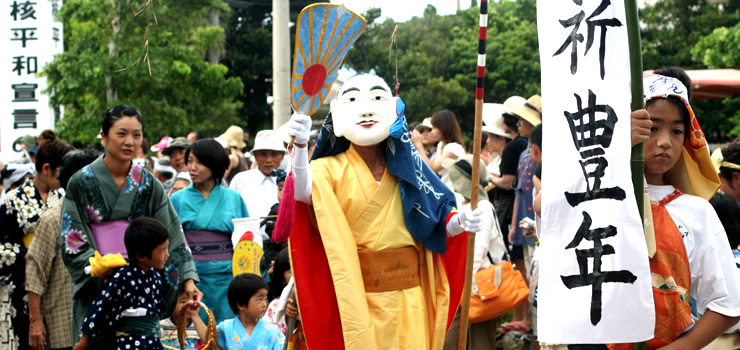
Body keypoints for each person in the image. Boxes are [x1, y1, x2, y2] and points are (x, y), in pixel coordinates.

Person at [284, 74, 481, 349]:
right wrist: (302, 147)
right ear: (338, 115)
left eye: (377, 98)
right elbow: (304, 193)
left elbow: (436, 219)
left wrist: (460, 221)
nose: (366, 110)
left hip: (410, 298)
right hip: (359, 298)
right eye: (353, 100)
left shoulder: (410, 166)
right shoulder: (328, 169)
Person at [614, 74, 740, 349]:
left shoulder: (698, 212)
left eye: (676, 131)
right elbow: (545, 205)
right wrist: (615, 147)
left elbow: (730, 302)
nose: (664, 142)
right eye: (652, 128)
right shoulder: (600, 200)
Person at [60, 105, 199, 348]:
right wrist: (101, 267)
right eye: (121, 133)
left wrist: (187, 279)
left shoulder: (149, 183)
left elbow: (172, 233)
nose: (130, 142)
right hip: (99, 282)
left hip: (141, 284)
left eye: (137, 135)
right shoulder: (80, 182)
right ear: (103, 136)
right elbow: (73, 238)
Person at [1, 131, 74, 350]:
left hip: (57, 288)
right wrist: (30, 253)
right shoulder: (14, 199)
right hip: (22, 287)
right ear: (46, 169)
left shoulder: (62, 199)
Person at [25, 148, 101, 350]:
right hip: (63, 324)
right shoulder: (52, 219)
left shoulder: (102, 217)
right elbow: (35, 272)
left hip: (98, 324)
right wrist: (35, 322)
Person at [170, 139, 249, 322]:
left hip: (228, 276)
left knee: (227, 333)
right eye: (190, 161)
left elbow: (247, 240)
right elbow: (172, 240)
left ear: (215, 165)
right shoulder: (177, 199)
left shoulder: (234, 198)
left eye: (199, 162)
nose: (192, 168)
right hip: (191, 276)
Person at [74, 217, 171, 350]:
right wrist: (84, 341)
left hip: (153, 343)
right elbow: (100, 308)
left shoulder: (157, 278)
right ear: (141, 255)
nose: (167, 255)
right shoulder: (123, 278)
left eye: (167, 249)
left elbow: (159, 311)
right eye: (162, 251)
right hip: (128, 344)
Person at [441, 155, 506, 350]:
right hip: (465, 284)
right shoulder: (465, 207)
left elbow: (476, 253)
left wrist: (459, 279)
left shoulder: (482, 208)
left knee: (479, 343)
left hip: (478, 285)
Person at [501, 94, 542, 334]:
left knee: (536, 266)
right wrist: (515, 227)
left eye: (523, 120)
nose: (519, 124)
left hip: (537, 222)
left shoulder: (541, 153)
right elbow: (519, 191)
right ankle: (530, 321)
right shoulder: (524, 154)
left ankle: (536, 326)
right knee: (527, 266)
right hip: (524, 222)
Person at [229, 130, 287, 223]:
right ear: (255, 156)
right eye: (263, 154)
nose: (268, 160)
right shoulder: (240, 180)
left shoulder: (289, 182)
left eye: (274, 154)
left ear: (282, 156)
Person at [216, 273, 285, 350]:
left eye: (265, 299)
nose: (264, 304)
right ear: (241, 305)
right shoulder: (226, 328)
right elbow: (208, 338)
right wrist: (198, 318)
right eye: (259, 299)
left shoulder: (272, 332)